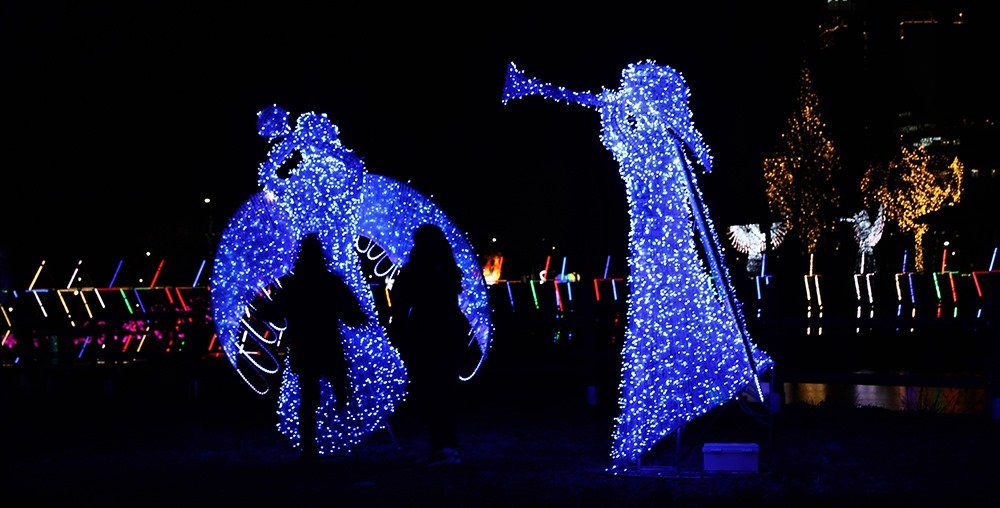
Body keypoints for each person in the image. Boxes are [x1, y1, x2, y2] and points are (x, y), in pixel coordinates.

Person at [256, 233, 368, 462]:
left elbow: (274, 311)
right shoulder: (330, 282)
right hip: (328, 344)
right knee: (339, 386)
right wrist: (364, 318)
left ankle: (310, 445)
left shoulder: (293, 284)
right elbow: (352, 314)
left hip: (304, 345)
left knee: (309, 397)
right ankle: (343, 429)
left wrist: (259, 305)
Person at [388, 223, 470, 467]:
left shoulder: (415, 270)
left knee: (430, 391)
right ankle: (448, 445)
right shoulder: (448, 270)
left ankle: (441, 447)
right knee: (445, 389)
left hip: (426, 332)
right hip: (450, 330)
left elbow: (401, 305)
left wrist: (397, 331)